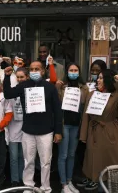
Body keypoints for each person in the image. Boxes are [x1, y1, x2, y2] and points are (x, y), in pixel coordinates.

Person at [3, 61, 63, 193]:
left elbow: (58, 111)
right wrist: (7, 77)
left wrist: (58, 131)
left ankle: (45, 187)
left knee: (46, 162)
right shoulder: (24, 85)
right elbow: (8, 94)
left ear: (42, 71)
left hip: (46, 131)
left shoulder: (50, 87)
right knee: (28, 161)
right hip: (28, 131)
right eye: (32, 69)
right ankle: (28, 187)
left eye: (37, 69)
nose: (34, 71)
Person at [79, 69, 118, 191]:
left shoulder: (115, 95)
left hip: (109, 131)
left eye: (101, 78)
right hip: (93, 131)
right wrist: (83, 135)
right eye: (98, 78)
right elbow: (86, 115)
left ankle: (107, 184)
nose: (98, 80)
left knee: (107, 160)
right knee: (92, 158)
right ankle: (93, 179)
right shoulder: (92, 94)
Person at [56, 63, 88, 193]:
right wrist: (57, 89)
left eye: (76, 70)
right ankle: (63, 184)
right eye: (71, 70)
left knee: (71, 155)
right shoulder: (62, 86)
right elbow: (56, 104)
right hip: (64, 124)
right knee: (63, 155)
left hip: (76, 125)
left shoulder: (85, 88)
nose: (73, 72)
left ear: (79, 72)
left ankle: (69, 181)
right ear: (67, 72)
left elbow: (85, 104)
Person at [8, 67, 29, 187]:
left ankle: (23, 178)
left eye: (22, 77)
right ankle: (14, 180)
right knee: (14, 156)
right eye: (18, 77)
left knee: (23, 156)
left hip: (26, 128)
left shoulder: (31, 90)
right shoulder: (13, 90)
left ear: (27, 77)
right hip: (13, 127)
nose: (20, 79)